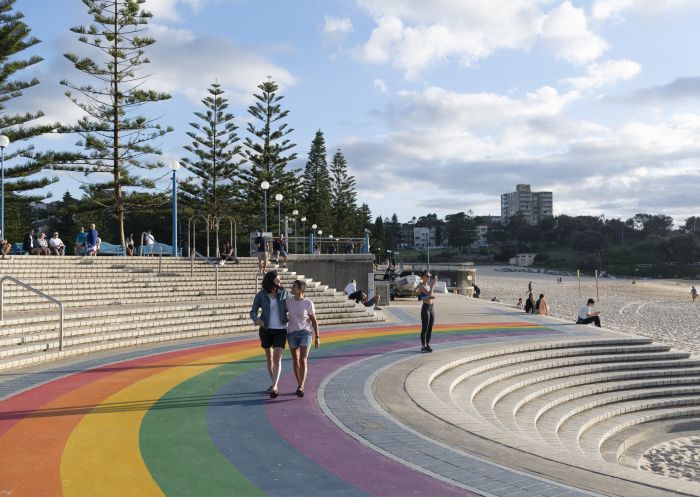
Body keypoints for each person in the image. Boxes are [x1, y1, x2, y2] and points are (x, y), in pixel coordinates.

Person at [249, 270, 289, 399]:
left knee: (277, 358)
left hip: (281, 329)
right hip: (265, 329)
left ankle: (275, 386)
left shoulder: (284, 292)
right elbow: (253, 311)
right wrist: (256, 320)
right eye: (277, 279)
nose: (279, 281)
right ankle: (273, 384)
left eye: (280, 279)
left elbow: (292, 305)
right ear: (270, 280)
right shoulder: (261, 295)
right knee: (270, 358)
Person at [286, 279, 319, 398]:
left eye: (294, 286)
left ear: (301, 289)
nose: (292, 288)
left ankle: (301, 386)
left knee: (303, 360)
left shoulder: (308, 303)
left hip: (305, 332)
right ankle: (299, 383)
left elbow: (314, 321)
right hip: (291, 334)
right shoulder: (288, 302)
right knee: (295, 360)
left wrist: (317, 337)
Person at [417, 270, 437, 353]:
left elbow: (433, 296)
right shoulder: (421, 286)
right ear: (423, 277)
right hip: (425, 307)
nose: (429, 278)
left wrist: (430, 294)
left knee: (430, 328)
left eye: (429, 276)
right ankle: (423, 346)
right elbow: (429, 295)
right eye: (427, 276)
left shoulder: (428, 286)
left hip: (431, 307)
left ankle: (428, 344)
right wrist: (432, 287)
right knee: (424, 328)